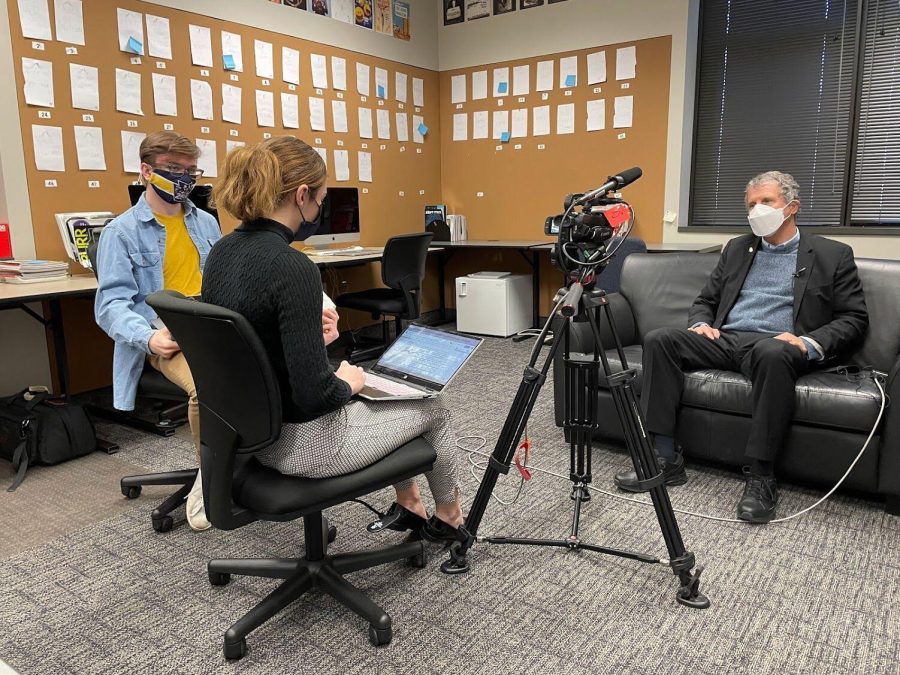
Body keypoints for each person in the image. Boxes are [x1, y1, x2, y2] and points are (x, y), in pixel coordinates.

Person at [202, 136, 465, 541]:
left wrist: (310, 340)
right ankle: (451, 522)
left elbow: (252, 347)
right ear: (302, 195)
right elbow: (315, 395)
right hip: (304, 447)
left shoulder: (221, 252)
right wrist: (349, 382)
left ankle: (411, 505)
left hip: (249, 436)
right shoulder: (293, 267)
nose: (320, 209)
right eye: (321, 199)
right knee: (433, 404)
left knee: (390, 397)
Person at [614, 171, 868, 523]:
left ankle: (762, 476)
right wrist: (702, 324)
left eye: (766, 202)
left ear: (792, 207)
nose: (757, 210)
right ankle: (664, 457)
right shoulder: (737, 247)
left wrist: (807, 341)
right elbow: (706, 299)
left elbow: (853, 318)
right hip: (727, 339)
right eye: (751, 204)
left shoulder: (832, 254)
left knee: (772, 351)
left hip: (779, 346)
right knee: (660, 339)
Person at [94, 131, 221, 531]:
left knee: (269, 365)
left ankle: (246, 461)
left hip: (210, 323)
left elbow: (220, 281)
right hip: (162, 334)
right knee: (209, 386)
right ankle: (211, 478)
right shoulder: (122, 231)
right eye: (173, 170)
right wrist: (149, 338)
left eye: (190, 171)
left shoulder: (206, 222)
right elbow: (110, 305)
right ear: (146, 171)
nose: (183, 179)